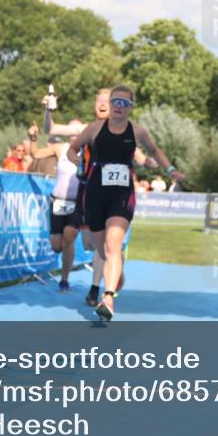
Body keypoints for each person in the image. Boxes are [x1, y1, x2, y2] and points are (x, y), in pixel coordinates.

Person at [67, 85, 185, 320]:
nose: (119, 107)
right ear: (110, 104)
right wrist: (77, 160)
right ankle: (116, 272)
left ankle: (107, 298)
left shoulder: (137, 131)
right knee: (102, 249)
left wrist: (170, 169)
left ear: (131, 107)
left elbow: (154, 150)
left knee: (112, 245)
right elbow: (72, 149)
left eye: (125, 103)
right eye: (116, 102)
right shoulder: (94, 128)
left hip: (122, 195)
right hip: (95, 193)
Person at [44, 87, 155, 307]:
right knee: (90, 244)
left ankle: (98, 289)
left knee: (104, 246)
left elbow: (138, 154)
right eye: (100, 101)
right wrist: (48, 109)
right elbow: (51, 128)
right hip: (89, 190)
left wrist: (149, 162)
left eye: (108, 100)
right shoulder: (86, 128)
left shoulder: (126, 130)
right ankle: (113, 272)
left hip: (115, 194)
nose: (103, 104)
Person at [29, 120, 86, 292]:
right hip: (58, 201)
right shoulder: (59, 148)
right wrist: (32, 138)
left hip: (77, 202)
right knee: (56, 246)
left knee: (69, 237)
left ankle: (64, 279)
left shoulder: (89, 150)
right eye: (72, 130)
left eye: (79, 130)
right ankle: (63, 268)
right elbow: (36, 154)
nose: (75, 133)